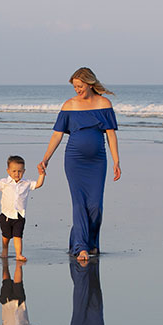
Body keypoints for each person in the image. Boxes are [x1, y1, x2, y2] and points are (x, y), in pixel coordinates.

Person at [38, 67, 121, 261]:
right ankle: (81, 247)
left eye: (80, 86)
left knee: (95, 206)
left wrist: (117, 161)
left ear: (90, 84)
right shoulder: (69, 106)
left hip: (97, 162)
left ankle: (89, 243)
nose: (77, 90)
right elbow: (57, 134)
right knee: (79, 204)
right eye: (75, 86)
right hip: (74, 161)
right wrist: (45, 158)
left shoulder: (104, 103)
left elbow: (111, 135)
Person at [0, 155, 45, 261]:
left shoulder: (26, 183)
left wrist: (42, 175)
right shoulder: (4, 183)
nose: (17, 174)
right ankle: (4, 249)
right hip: (6, 215)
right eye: (14, 171)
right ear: (8, 171)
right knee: (6, 236)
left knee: (18, 235)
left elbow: (38, 184)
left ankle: (18, 254)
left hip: (19, 215)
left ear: (24, 171)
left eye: (20, 171)